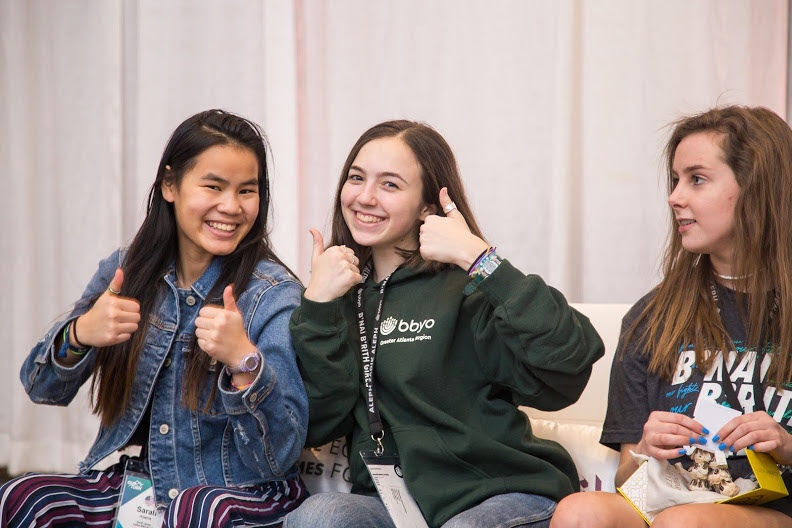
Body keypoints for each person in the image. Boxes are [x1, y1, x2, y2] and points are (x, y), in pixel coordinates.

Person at [284, 120, 604, 528]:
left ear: (427, 206)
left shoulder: (469, 288)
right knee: (321, 517)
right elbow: (318, 424)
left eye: (390, 185)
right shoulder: (339, 296)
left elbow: (570, 367)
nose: (365, 197)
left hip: (498, 493)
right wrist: (318, 306)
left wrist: (481, 259)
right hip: (394, 506)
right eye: (356, 178)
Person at [1, 109, 308, 527]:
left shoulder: (273, 295)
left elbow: (278, 456)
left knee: (193, 509)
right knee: (21, 497)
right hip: (141, 489)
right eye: (213, 186)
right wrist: (82, 332)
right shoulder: (127, 271)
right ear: (170, 185)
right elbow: (41, 387)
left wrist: (244, 362)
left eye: (247, 191)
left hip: (239, 493)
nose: (231, 207)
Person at [550, 105, 792, 528]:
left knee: (683, 523)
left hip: (777, 505)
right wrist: (645, 446)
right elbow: (629, 478)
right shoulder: (651, 316)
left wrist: (786, 446)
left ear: (757, 188)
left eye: (696, 179)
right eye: (676, 180)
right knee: (578, 512)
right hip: (669, 494)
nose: (675, 197)